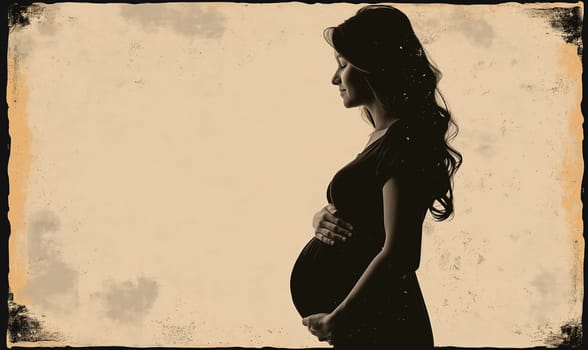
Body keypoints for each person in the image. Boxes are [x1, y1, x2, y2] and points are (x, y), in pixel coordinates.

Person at [289, 5, 463, 348]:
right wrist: (322, 217)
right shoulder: (383, 138)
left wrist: (339, 317)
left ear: (373, 65)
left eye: (342, 64)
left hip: (381, 325)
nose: (335, 79)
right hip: (367, 325)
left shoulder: (404, 141)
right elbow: (368, 219)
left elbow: (400, 253)